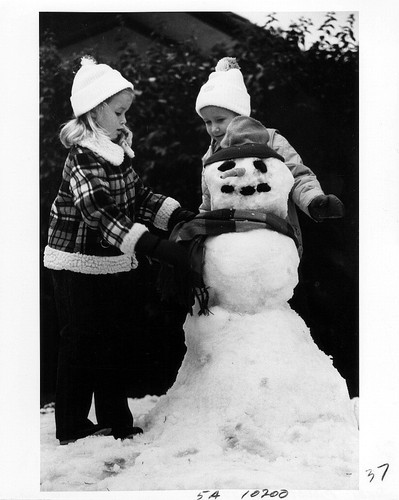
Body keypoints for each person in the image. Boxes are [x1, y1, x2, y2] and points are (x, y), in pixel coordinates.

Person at [43, 56, 194, 445]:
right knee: (79, 340)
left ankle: (115, 419)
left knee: (113, 339)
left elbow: (138, 198)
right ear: (95, 112)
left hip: (110, 263)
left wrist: (178, 217)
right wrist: (154, 247)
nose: (126, 120)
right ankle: (72, 425)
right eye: (119, 111)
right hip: (74, 265)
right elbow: (98, 211)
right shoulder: (82, 157)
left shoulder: (116, 151)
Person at [195, 57, 344, 257]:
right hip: (229, 247)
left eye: (220, 119)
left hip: (274, 238)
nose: (214, 128)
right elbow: (208, 200)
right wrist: (200, 232)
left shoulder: (271, 141)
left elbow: (298, 175)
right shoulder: (211, 157)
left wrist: (313, 200)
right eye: (207, 121)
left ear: (240, 115)